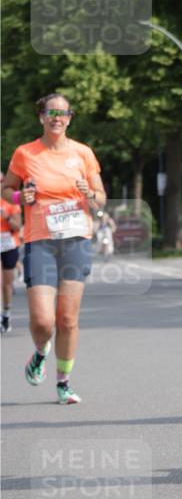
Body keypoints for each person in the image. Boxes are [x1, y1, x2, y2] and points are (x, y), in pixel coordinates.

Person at [1, 93, 106, 404]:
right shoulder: (25, 153)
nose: (56, 118)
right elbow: (6, 189)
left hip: (75, 241)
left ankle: (63, 382)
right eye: (51, 112)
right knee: (43, 321)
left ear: (70, 118)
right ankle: (40, 350)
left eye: (62, 113)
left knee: (68, 319)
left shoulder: (83, 153)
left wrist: (90, 195)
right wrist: (22, 198)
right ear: (42, 117)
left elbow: (100, 198)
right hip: (40, 242)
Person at [0, 172, 22, 333]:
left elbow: (17, 226)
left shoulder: (11, 201)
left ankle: (6, 314)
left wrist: (6, 217)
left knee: (7, 284)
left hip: (8, 245)